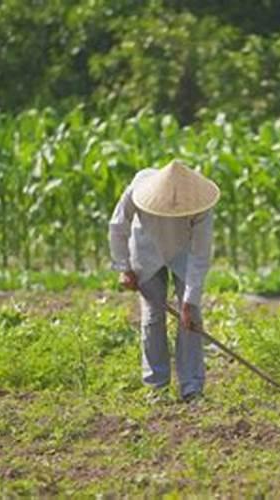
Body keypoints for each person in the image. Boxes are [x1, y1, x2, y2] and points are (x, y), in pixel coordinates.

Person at [108, 159, 219, 402]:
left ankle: (192, 388)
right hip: (146, 251)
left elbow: (200, 255)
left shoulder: (201, 203)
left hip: (184, 253)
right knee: (153, 315)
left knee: (192, 319)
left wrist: (189, 302)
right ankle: (156, 387)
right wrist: (124, 267)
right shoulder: (137, 190)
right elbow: (118, 226)